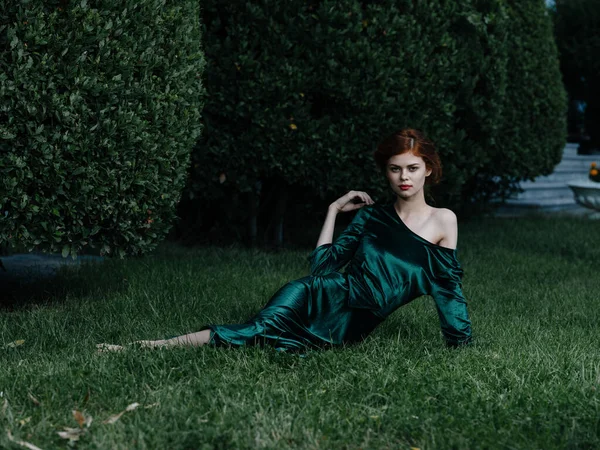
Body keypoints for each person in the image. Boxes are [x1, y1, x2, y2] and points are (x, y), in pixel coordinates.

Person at [97, 128, 472, 353]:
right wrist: (331, 211)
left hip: (350, 327)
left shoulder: (443, 221)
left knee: (261, 339)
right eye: (394, 169)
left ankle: (157, 346)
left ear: (428, 170)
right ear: (386, 173)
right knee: (253, 330)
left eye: (412, 168)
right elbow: (324, 266)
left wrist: (460, 345)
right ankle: (145, 347)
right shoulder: (371, 216)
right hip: (317, 292)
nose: (403, 177)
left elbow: (447, 290)